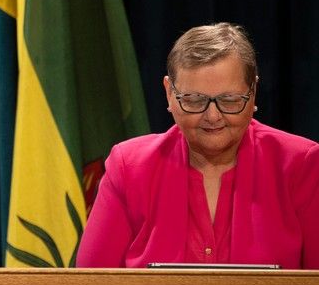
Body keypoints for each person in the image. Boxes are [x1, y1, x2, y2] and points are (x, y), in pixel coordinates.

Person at [77, 23, 319, 268]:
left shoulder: (301, 164)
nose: (213, 116)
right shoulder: (129, 167)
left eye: (230, 100)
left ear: (253, 91)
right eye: (194, 100)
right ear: (169, 93)